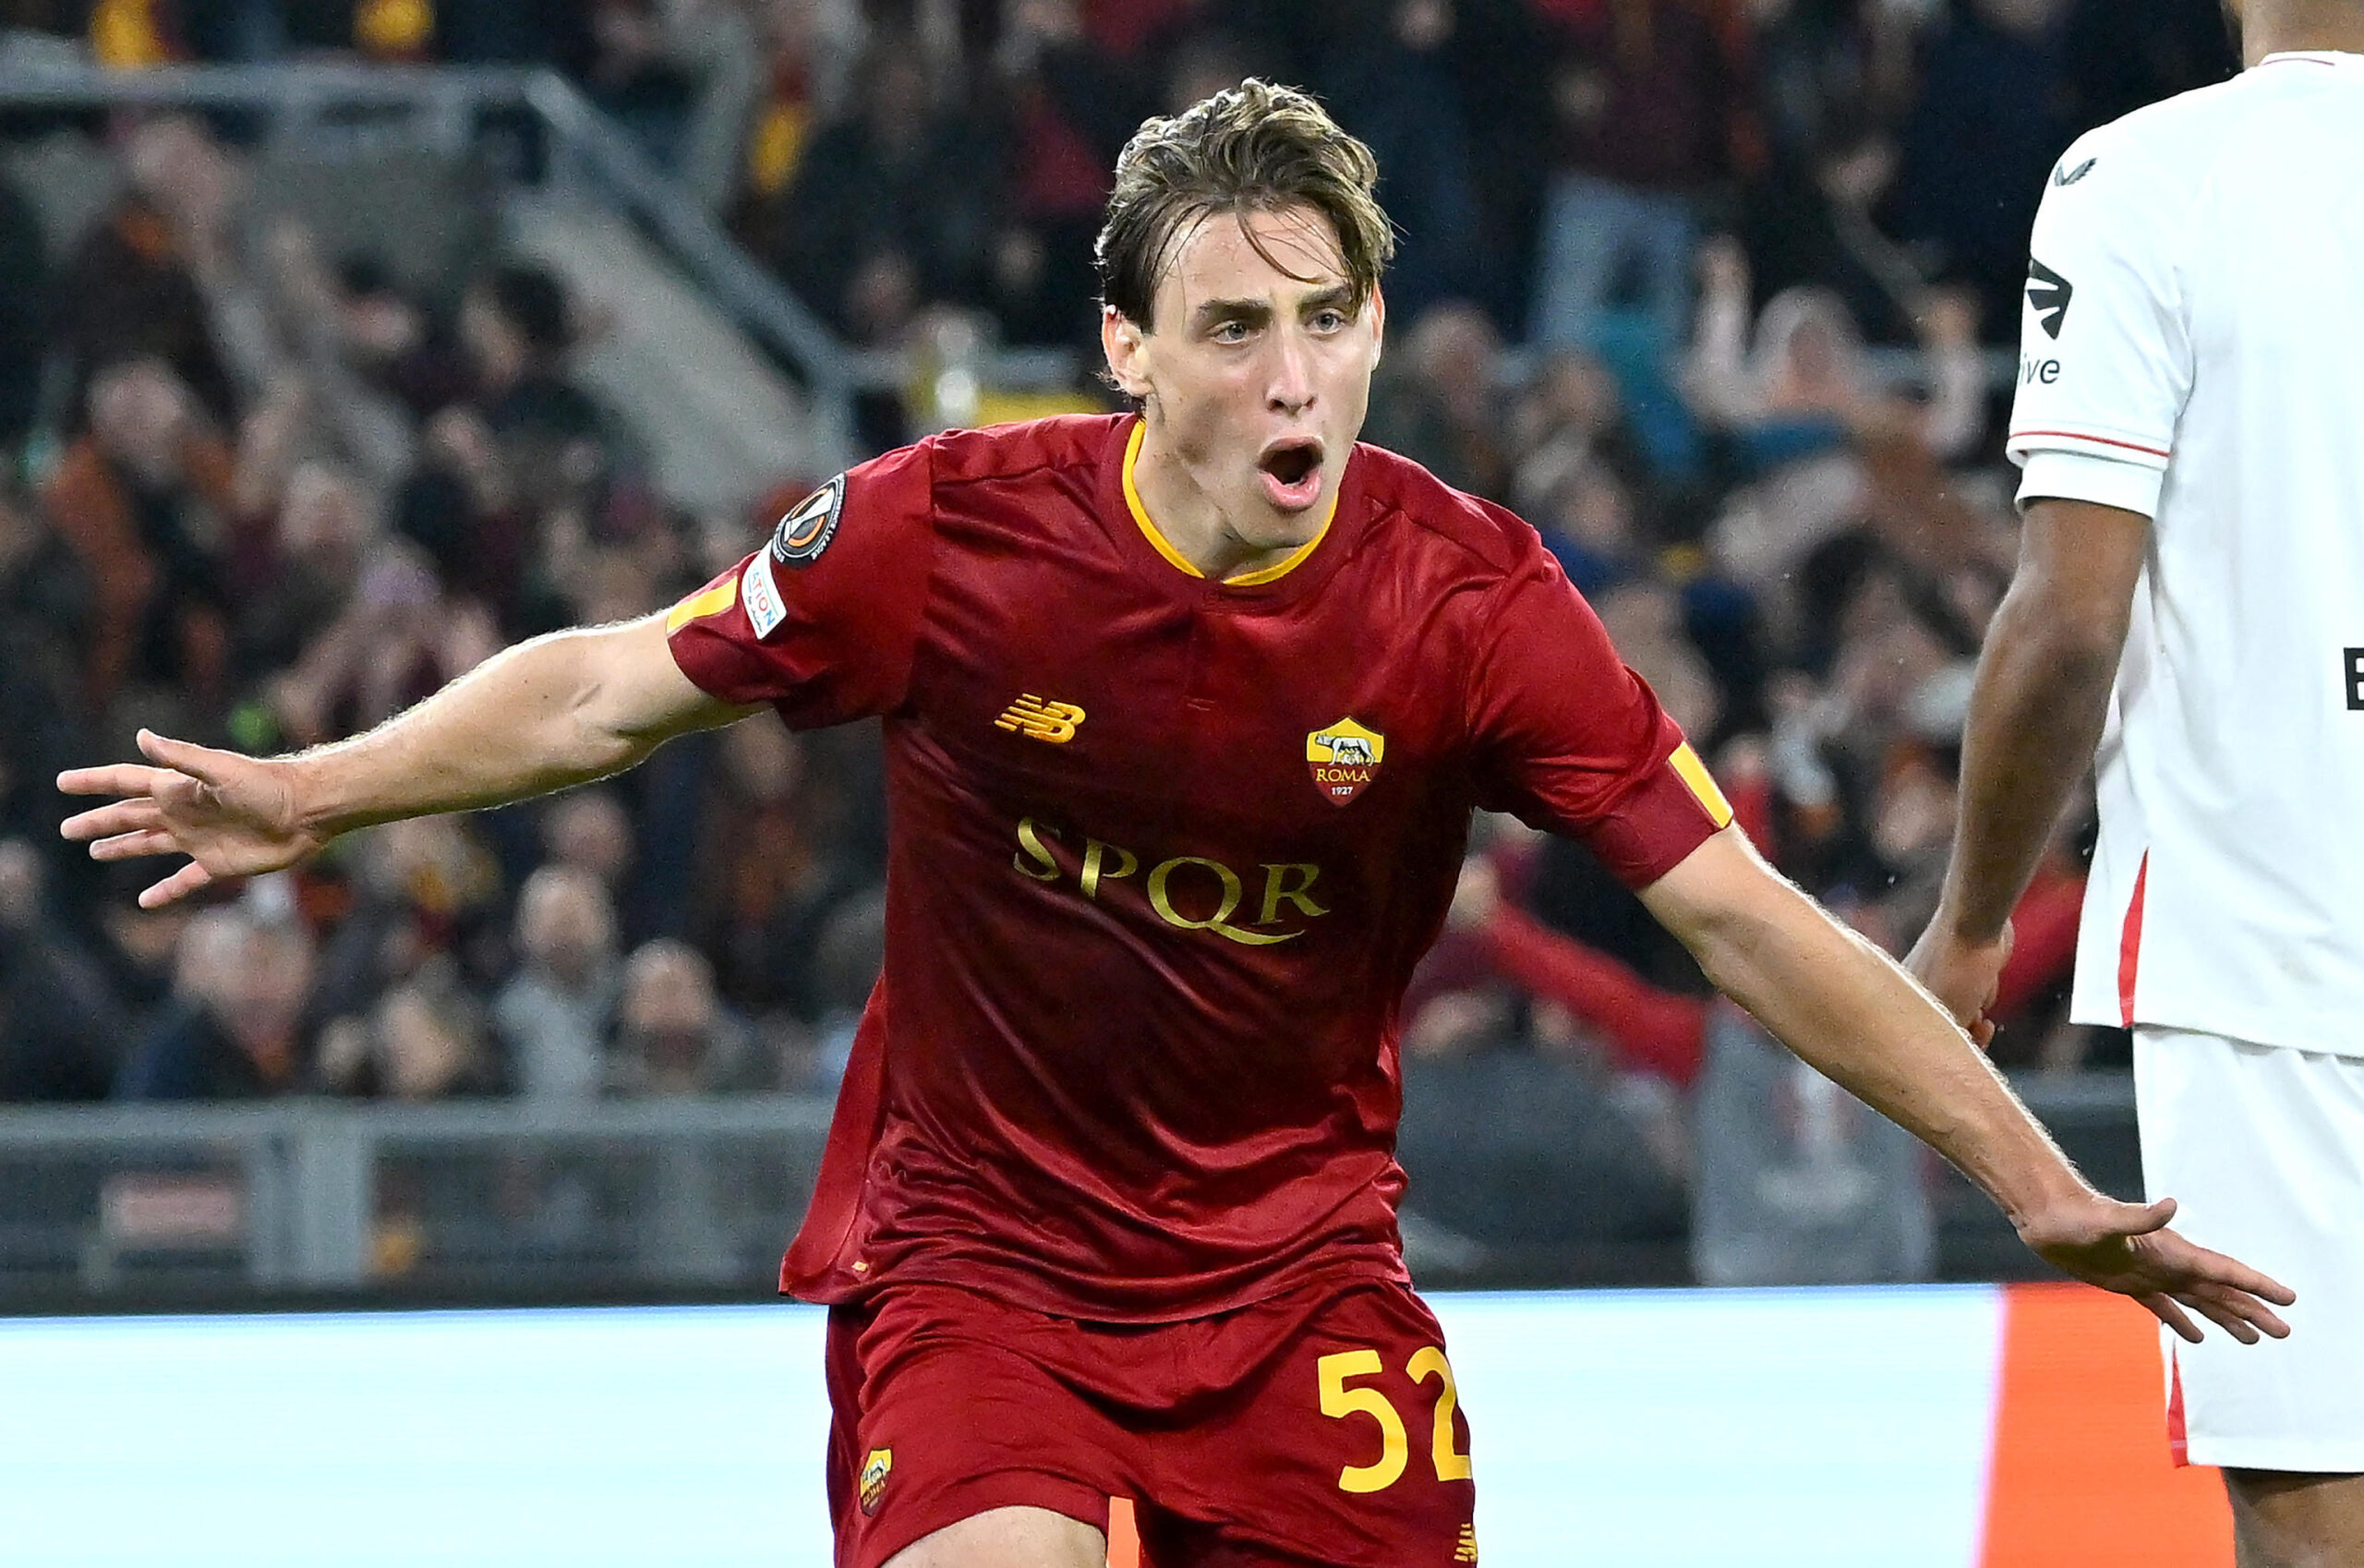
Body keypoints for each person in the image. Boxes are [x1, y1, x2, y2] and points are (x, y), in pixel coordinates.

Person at [62, 81, 2292, 1568]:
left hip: (1299, 1278)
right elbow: (608, 687)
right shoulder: (943, 539)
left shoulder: (1471, 605)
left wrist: (2029, 1177)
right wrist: (313, 791)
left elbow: (1742, 921)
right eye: (1233, 329)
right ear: (1124, 346)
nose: (1292, 378)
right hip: (980, 1266)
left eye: (1328, 322)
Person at [1904, 12, 2364, 1566]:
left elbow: (2069, 619)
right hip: (2279, 951)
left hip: (2276, 947)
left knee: (2320, 1518)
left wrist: (1974, 919)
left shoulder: (2148, 180)